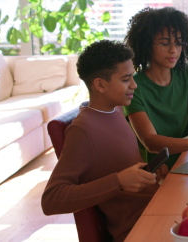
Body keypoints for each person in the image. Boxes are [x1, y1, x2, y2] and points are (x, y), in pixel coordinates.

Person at [42, 40, 167, 242]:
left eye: (133, 77)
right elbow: (51, 200)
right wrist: (117, 182)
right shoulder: (82, 131)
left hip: (157, 208)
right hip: (140, 227)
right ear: (100, 84)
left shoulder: (116, 109)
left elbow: (116, 164)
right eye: (126, 79)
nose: (134, 85)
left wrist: (148, 172)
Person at [124, 7, 188, 169]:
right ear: (146, 45)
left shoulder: (184, 74)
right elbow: (150, 142)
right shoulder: (134, 86)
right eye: (164, 43)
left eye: (179, 43)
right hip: (159, 169)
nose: (173, 50)